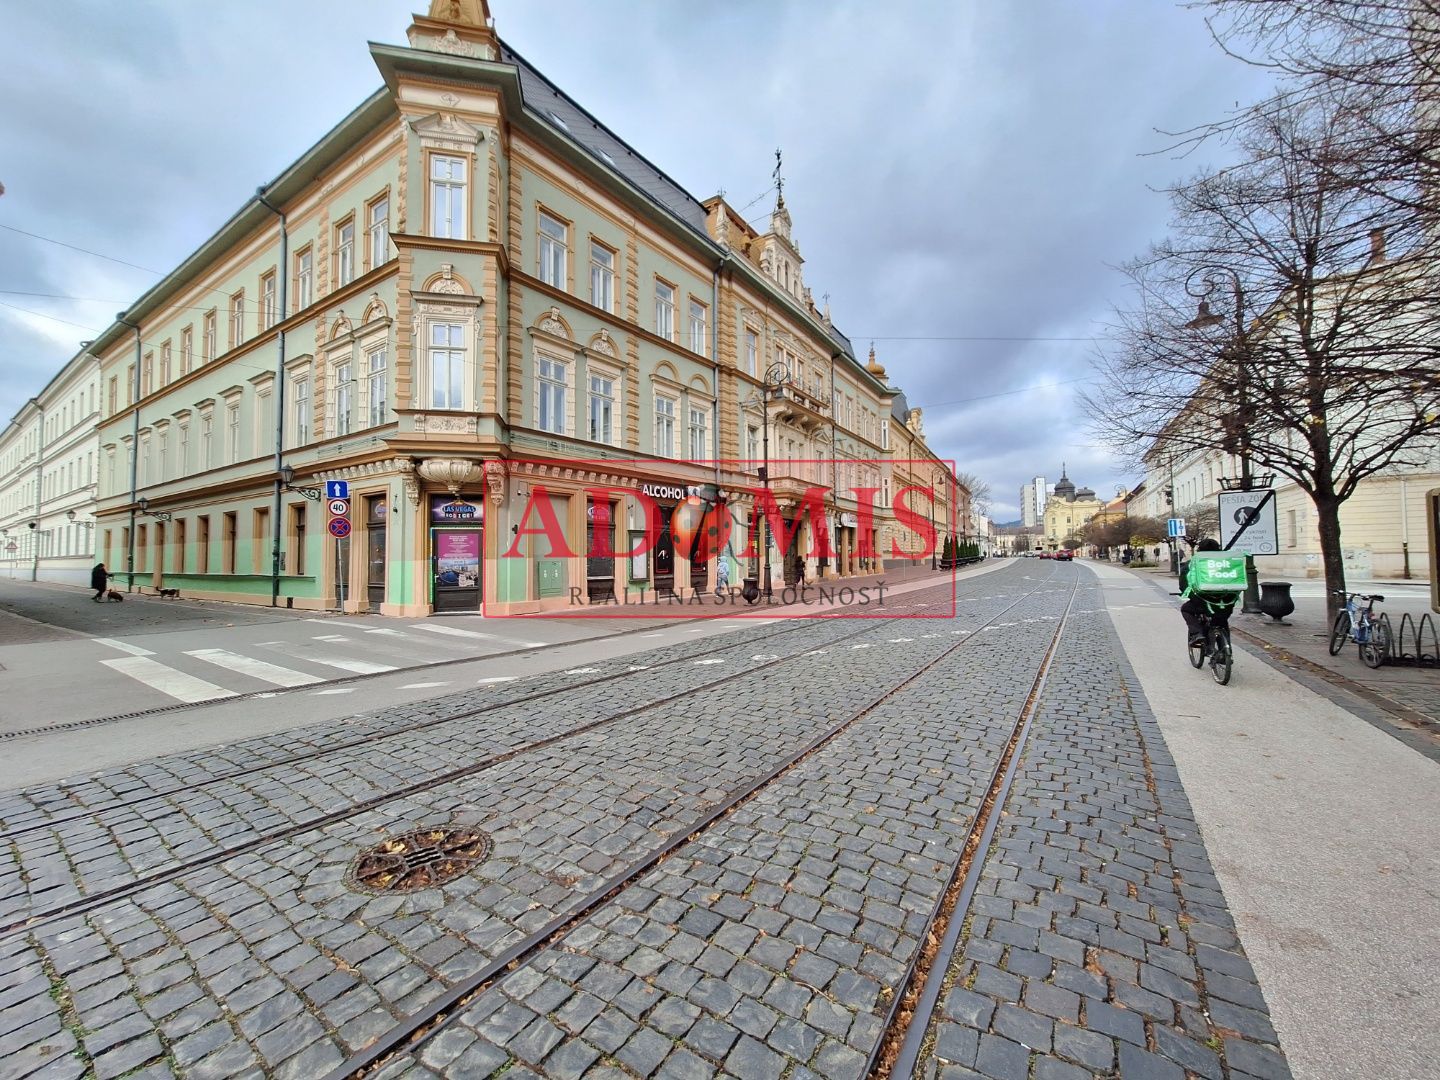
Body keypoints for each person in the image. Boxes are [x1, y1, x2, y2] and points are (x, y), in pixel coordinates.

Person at [1179, 538, 1238, 647]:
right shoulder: (1228, 563)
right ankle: (1224, 651)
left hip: (1203, 602)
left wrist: (1192, 596)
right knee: (1222, 622)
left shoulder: (1192, 564)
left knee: (1186, 609)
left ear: (1199, 550)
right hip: (1226, 602)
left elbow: (1183, 585)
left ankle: (1197, 633)